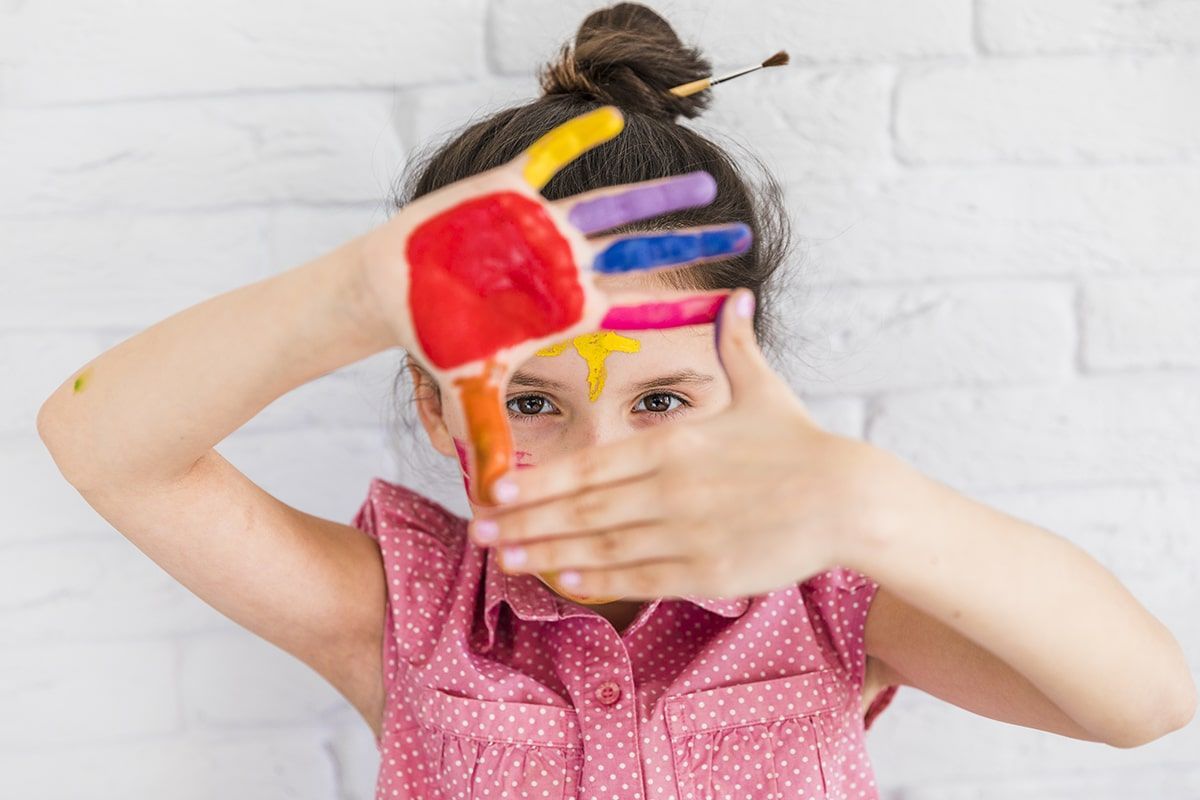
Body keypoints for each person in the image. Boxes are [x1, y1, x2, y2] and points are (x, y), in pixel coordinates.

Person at [36, 4, 1196, 800]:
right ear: (438, 412)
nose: (601, 454)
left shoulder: (836, 601)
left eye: (663, 398)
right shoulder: (406, 615)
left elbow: (1145, 701)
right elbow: (101, 443)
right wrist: (353, 294)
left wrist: (867, 502)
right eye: (532, 403)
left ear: (746, 393)